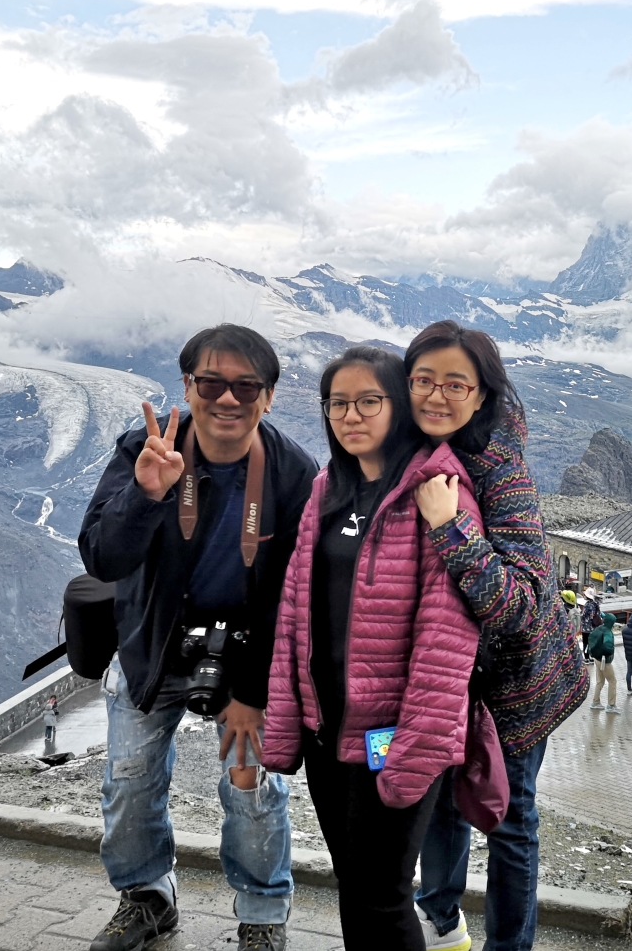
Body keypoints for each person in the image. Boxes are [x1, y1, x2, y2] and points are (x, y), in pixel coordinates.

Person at [79, 325, 317, 951]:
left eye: (247, 387)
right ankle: (146, 898)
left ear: (269, 396)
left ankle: (263, 915)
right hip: (153, 643)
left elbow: (292, 593)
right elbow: (102, 557)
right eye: (211, 384)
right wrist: (146, 494)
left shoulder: (291, 471)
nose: (227, 399)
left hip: (246, 653)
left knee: (252, 786)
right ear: (187, 387)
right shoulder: (146, 449)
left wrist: (254, 692)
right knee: (129, 781)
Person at [262, 346, 482, 951]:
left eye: (368, 401)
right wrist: (287, 717)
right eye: (337, 404)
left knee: (382, 894)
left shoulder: (437, 493)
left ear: (398, 406)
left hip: (392, 737)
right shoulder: (326, 490)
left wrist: (417, 746)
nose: (350, 416)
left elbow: (446, 638)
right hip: (327, 730)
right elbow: (294, 613)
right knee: (355, 885)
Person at [403, 321, 588, 951]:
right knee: (441, 801)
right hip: (444, 679)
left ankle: (508, 946)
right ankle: (442, 918)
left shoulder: (502, 471)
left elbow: (521, 604)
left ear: (481, 394)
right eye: (424, 380)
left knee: (509, 818)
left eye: (456, 384)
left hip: (516, 685)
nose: (437, 395)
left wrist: (450, 527)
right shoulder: (402, 457)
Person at [587, 612, 619, 713]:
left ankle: (595, 702)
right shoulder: (608, 632)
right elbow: (608, 647)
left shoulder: (598, 628)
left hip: (597, 659)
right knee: (612, 681)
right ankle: (611, 705)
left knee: (600, 681)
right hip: (605, 661)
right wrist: (610, 652)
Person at [581, 587, 602, 662]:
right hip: (593, 627)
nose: (584, 596)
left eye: (585, 595)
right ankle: (591, 657)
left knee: (585, 643)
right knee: (591, 642)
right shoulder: (596, 604)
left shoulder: (587, 605)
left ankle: (586, 657)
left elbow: (583, 615)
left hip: (586, 628)